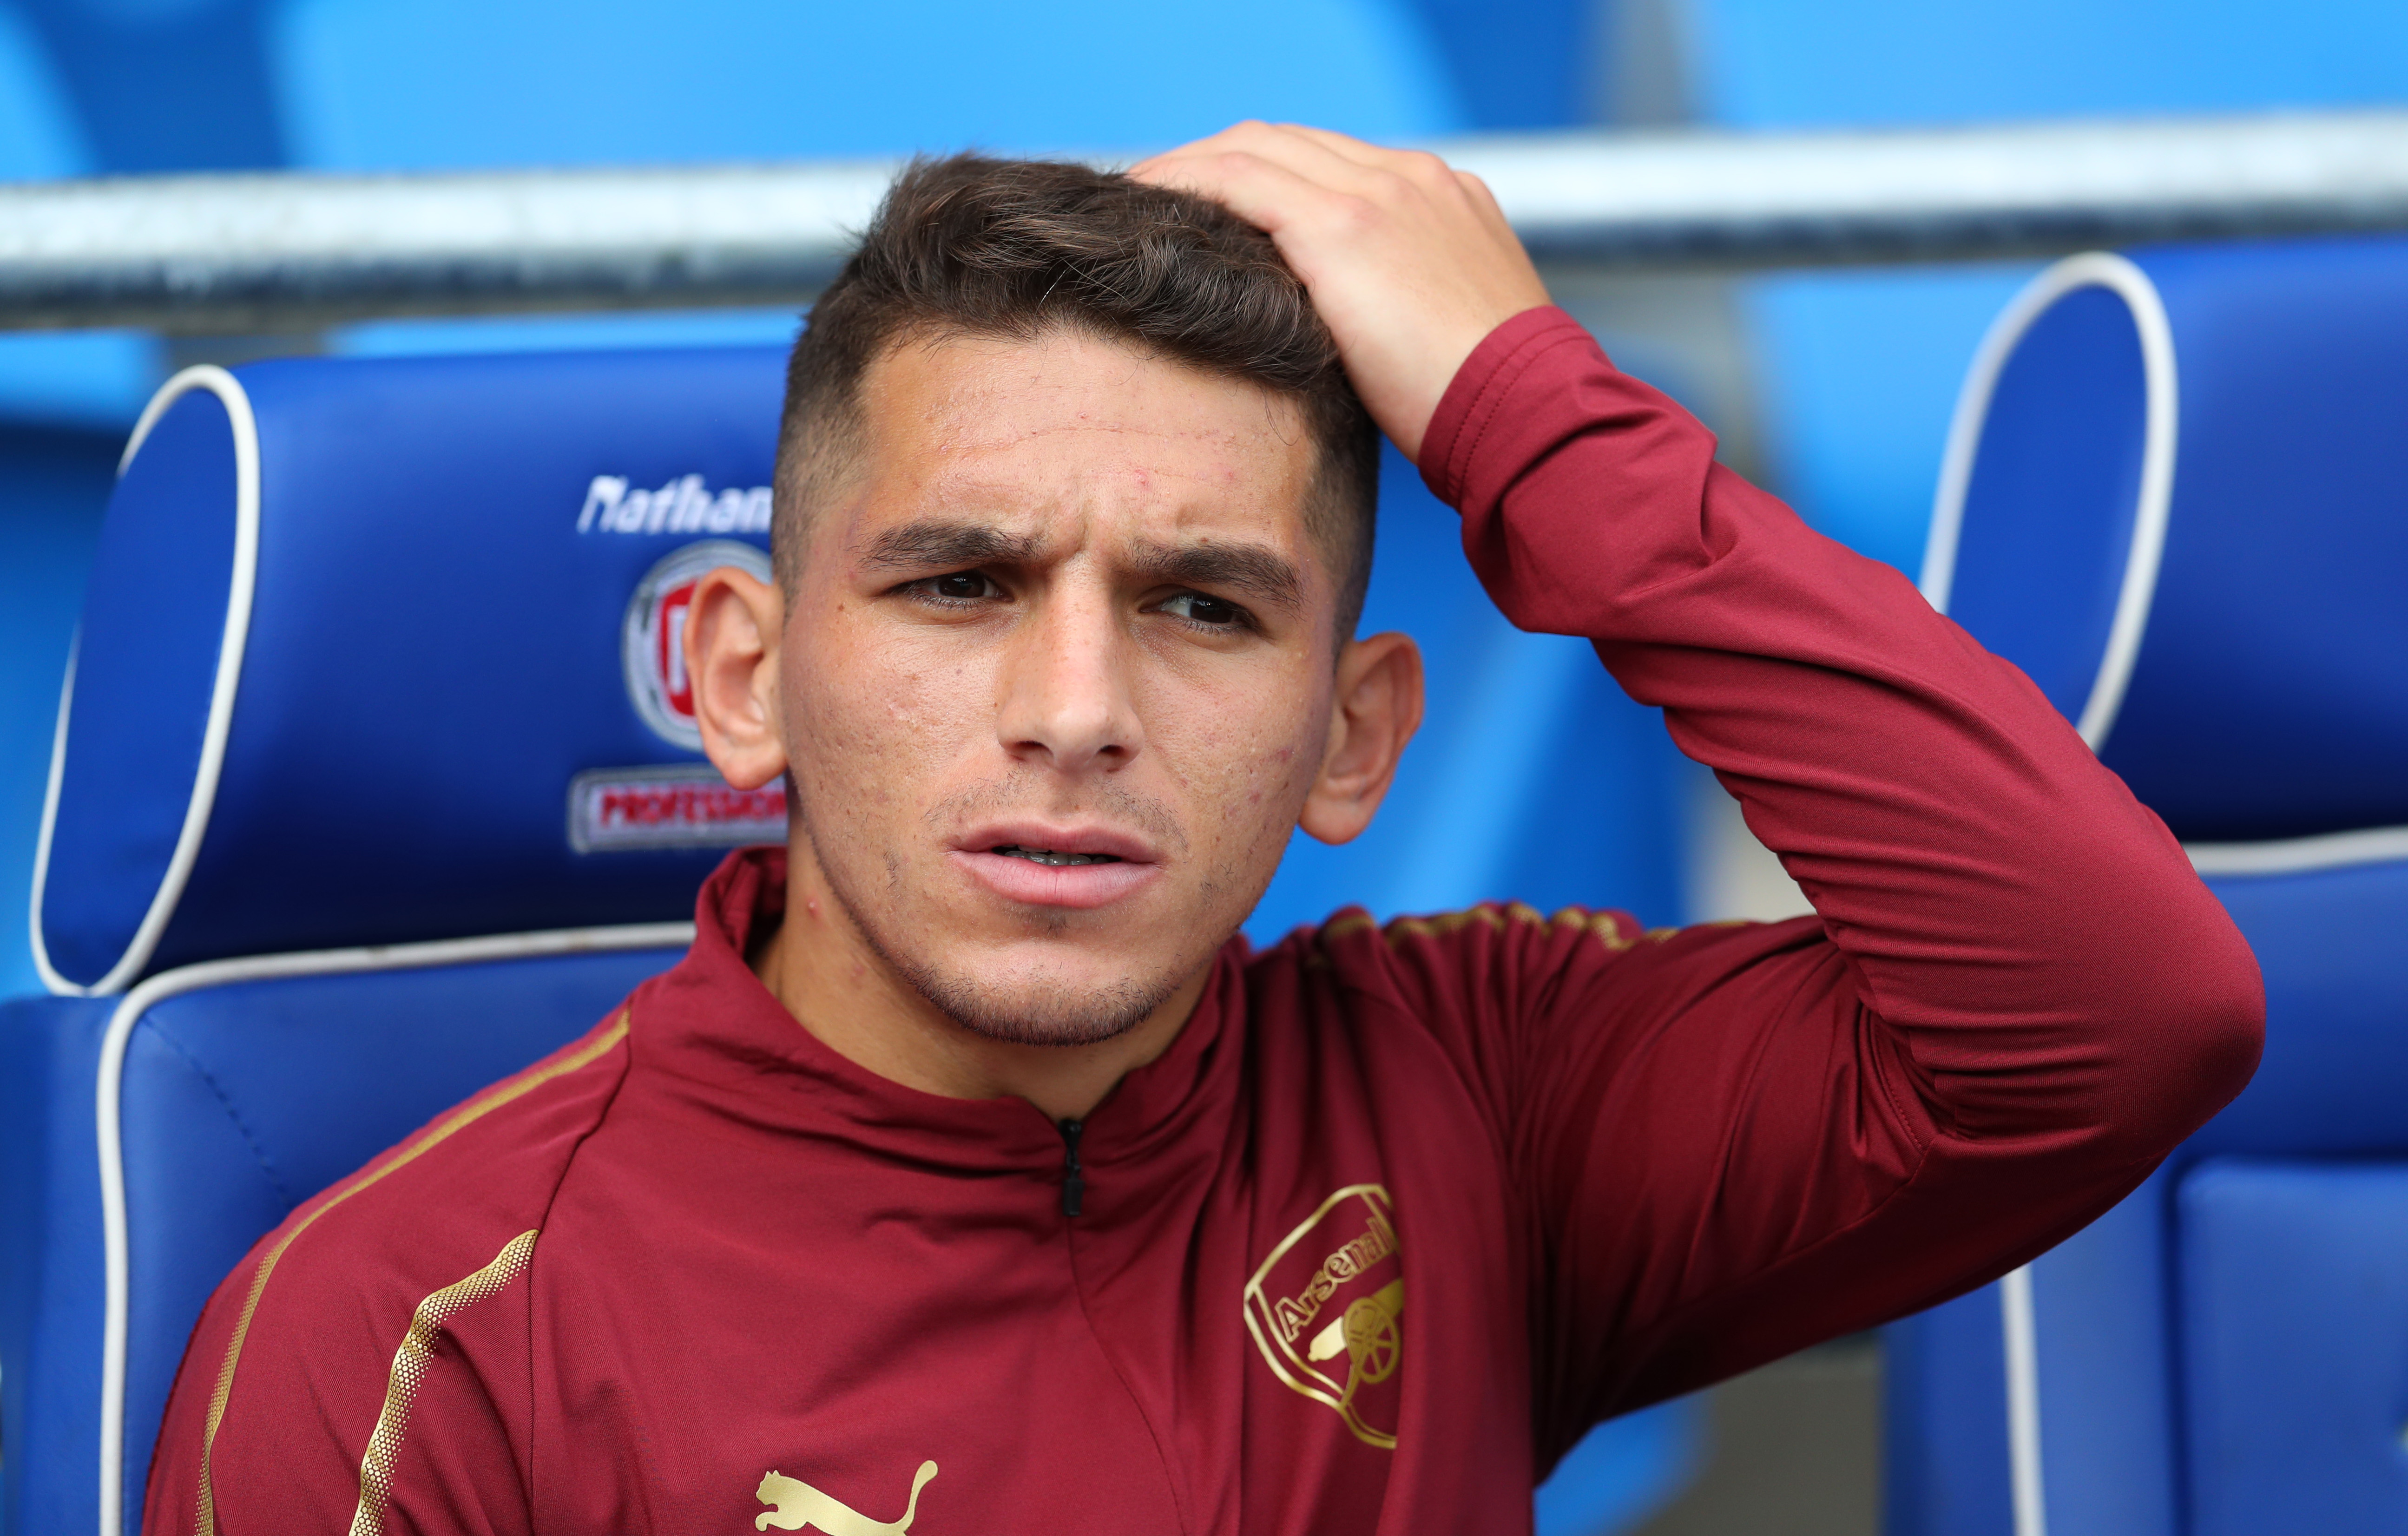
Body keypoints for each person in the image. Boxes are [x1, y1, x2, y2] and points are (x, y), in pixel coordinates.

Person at [144, 124, 2262, 1536]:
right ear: (738, 674)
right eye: (963, 583)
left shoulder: (1476, 1095)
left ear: (1355, 737)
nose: (1077, 713)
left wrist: (1532, 406)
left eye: (1200, 606)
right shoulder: (415, 1334)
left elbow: (2120, 1000)